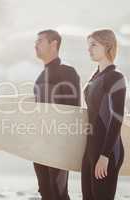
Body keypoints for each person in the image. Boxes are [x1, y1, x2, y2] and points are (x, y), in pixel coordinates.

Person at [33, 29, 81, 200]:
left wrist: (67, 146)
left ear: (53, 44)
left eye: (40, 41)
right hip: (41, 146)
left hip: (59, 146)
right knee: (45, 191)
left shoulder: (68, 72)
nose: (35, 45)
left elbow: (74, 112)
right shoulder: (40, 77)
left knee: (58, 192)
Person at [81, 29, 126, 200]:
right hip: (91, 149)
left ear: (107, 46)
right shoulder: (95, 76)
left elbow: (117, 118)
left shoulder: (115, 77)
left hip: (107, 152)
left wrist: (105, 155)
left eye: (94, 45)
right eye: (88, 45)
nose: (89, 49)